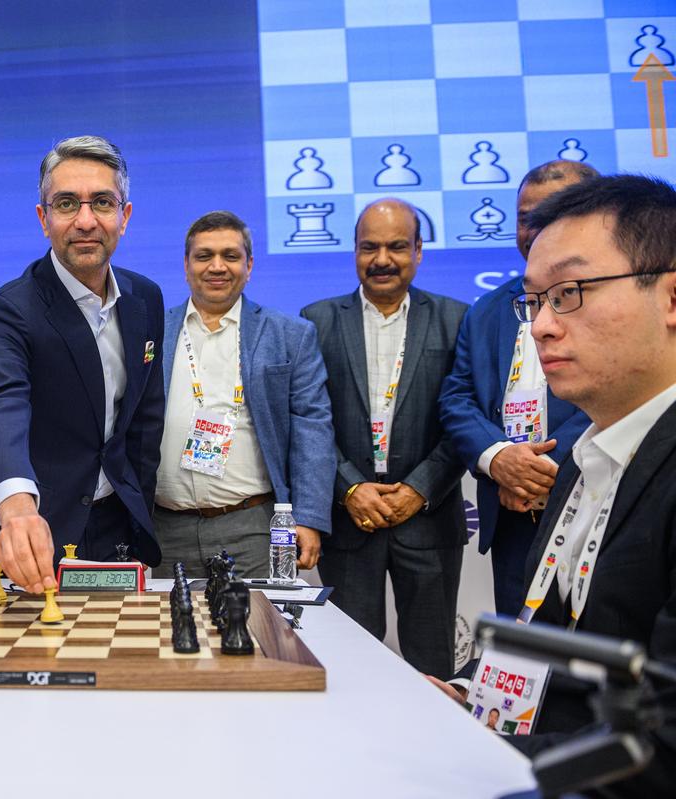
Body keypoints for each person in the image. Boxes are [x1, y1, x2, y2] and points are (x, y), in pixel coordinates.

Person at [438, 174, 676, 794]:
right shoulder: (583, 457)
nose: (542, 325)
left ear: (672, 297)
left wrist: (480, 748)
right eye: (534, 300)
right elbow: (554, 638)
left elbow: (662, 742)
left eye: (570, 292)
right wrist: (465, 696)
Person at [0, 135, 166, 592]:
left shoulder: (145, 298)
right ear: (43, 218)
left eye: (101, 202)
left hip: (119, 532)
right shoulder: (10, 309)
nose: (85, 221)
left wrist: (139, 511)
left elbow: (143, 422)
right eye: (66, 204)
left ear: (124, 216)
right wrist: (16, 510)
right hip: (35, 535)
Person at [301, 198, 467, 679]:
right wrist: (349, 488)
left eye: (397, 246)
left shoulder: (456, 319)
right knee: (352, 666)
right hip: (350, 523)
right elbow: (310, 422)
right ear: (354, 252)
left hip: (430, 521)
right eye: (369, 247)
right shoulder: (316, 319)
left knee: (434, 662)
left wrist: (419, 488)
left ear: (419, 250)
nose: (382, 259)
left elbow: (465, 416)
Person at [438, 160, 597, 615]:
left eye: (553, 214)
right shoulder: (488, 308)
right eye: (526, 218)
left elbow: (622, 392)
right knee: (521, 660)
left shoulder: (613, 301)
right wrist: (501, 459)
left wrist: (541, 470)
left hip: (591, 505)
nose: (534, 230)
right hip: (510, 516)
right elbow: (458, 397)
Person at [153, 211, 333, 577]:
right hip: (163, 529)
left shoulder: (290, 334)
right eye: (204, 256)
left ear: (249, 265)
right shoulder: (152, 329)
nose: (217, 266)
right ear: (186, 265)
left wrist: (310, 517)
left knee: (255, 634)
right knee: (168, 634)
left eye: (230, 256)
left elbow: (312, 427)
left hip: (252, 526)